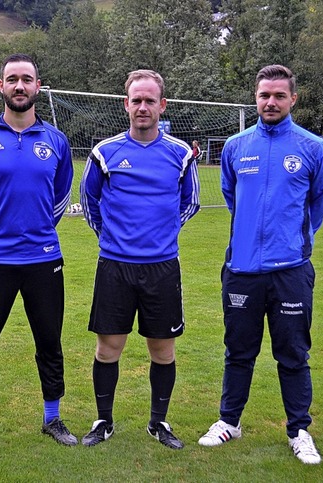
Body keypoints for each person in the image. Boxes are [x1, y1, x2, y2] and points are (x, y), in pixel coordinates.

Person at [198, 65, 323, 465]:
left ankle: (299, 430)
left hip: (290, 269)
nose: (270, 102)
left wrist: (290, 239)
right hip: (241, 269)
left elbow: (318, 203)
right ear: (255, 98)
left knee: (292, 353)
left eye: (278, 95)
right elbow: (231, 196)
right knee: (238, 351)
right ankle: (229, 422)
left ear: (293, 99)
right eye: (263, 95)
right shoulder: (237, 146)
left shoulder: (312, 147)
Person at [0, 53, 75, 451]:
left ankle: (52, 418)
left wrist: (37, 231)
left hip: (43, 259)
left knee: (49, 341)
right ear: (0, 86)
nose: (19, 86)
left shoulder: (56, 141)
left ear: (38, 86)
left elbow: (60, 199)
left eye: (27, 79)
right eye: (12, 79)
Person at [80, 69, 200, 449]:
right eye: (137, 100)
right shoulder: (105, 152)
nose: (143, 107)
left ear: (162, 106)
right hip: (114, 266)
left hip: (163, 267)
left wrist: (161, 233)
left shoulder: (180, 153)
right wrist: (112, 237)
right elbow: (89, 201)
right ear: (126, 105)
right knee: (108, 348)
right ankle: (104, 421)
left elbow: (190, 202)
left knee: (162, 350)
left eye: (150, 101)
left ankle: (158, 423)